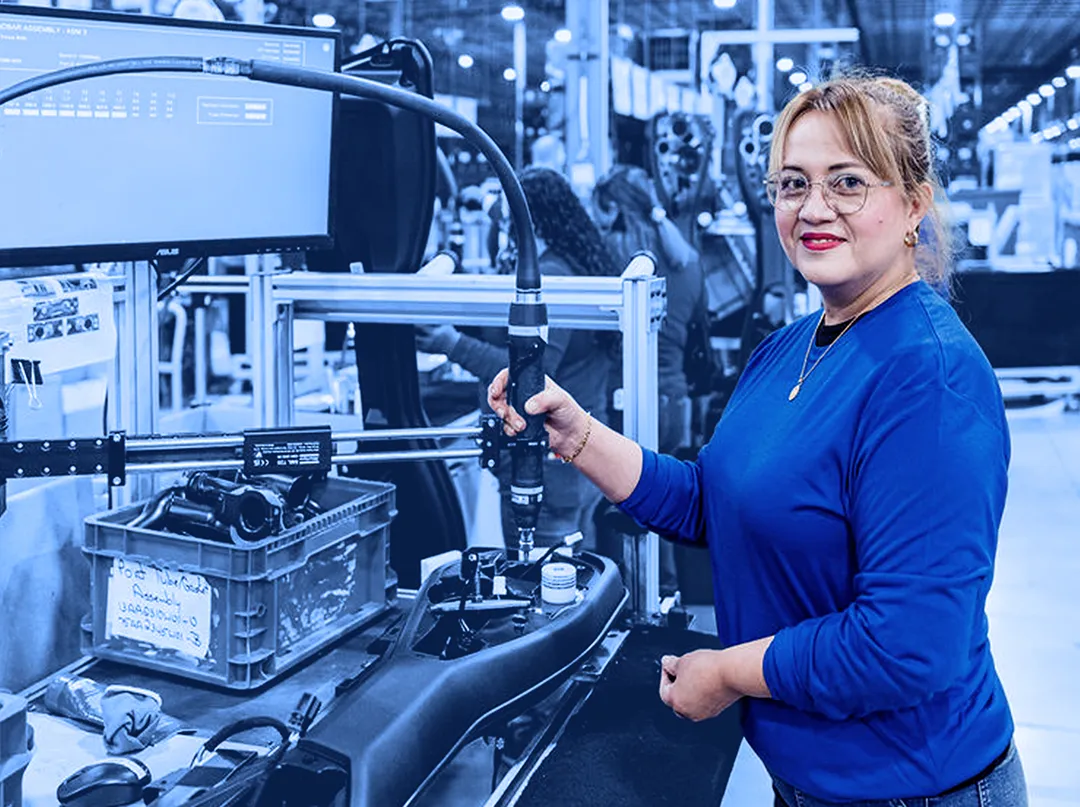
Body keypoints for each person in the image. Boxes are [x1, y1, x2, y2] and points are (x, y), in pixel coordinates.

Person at [488, 73, 1027, 805]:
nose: (813, 208)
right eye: (792, 183)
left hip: (914, 788)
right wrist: (578, 433)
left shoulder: (930, 380)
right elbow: (715, 500)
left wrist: (730, 671)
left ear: (913, 205)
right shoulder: (789, 347)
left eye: (848, 182)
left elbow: (907, 644)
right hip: (808, 778)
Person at [416, 166, 620, 549]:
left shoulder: (553, 277)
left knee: (536, 586)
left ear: (528, 217)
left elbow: (533, 376)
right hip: (573, 464)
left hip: (547, 470)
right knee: (575, 580)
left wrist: (450, 343)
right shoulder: (569, 264)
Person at [592, 164, 706, 594]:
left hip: (630, 402)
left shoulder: (619, 261)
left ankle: (630, 618)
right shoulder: (688, 259)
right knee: (666, 513)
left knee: (624, 520)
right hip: (674, 403)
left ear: (614, 209)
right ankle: (668, 602)